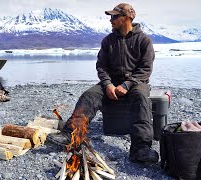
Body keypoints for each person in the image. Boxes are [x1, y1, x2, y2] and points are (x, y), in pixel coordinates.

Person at [47, 3, 158, 163]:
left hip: (136, 83)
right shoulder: (108, 41)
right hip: (111, 82)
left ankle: (140, 148)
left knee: (141, 99)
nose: (110, 20)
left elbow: (145, 69)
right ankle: (71, 135)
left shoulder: (143, 41)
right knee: (89, 95)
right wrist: (108, 84)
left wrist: (127, 84)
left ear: (126, 18)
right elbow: (101, 66)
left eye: (114, 16)